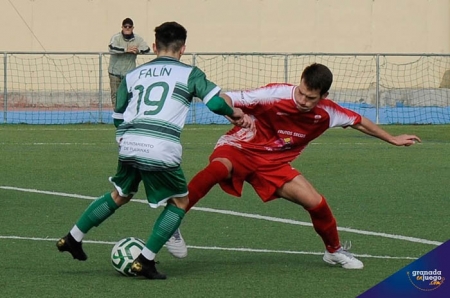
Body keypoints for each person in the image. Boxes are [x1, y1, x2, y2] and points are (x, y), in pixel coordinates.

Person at [181, 63, 422, 270]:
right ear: (300, 83)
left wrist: (392, 138)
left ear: (324, 95)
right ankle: (174, 220)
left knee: (316, 203)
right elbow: (227, 97)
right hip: (240, 147)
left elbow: (359, 122)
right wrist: (231, 111)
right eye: (302, 94)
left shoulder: (328, 113)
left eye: (311, 98)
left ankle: (334, 251)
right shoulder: (275, 94)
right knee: (217, 169)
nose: (304, 101)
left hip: (274, 164)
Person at [57, 21, 249, 280]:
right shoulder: (190, 73)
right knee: (180, 201)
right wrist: (233, 112)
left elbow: (118, 113)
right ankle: (145, 261)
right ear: (183, 49)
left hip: (129, 142)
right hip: (160, 146)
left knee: (120, 194)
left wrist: (124, 139)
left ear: (155, 46)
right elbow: (215, 102)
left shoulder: (134, 75)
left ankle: (72, 237)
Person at [108, 18, 150, 107]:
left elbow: (147, 49)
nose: (127, 28)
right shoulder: (116, 38)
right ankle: (117, 115)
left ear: (133, 28)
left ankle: (127, 115)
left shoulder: (138, 39)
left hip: (129, 74)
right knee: (115, 95)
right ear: (122, 27)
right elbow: (111, 48)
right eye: (125, 26)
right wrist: (125, 50)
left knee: (129, 95)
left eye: (129, 26)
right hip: (114, 73)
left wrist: (138, 50)